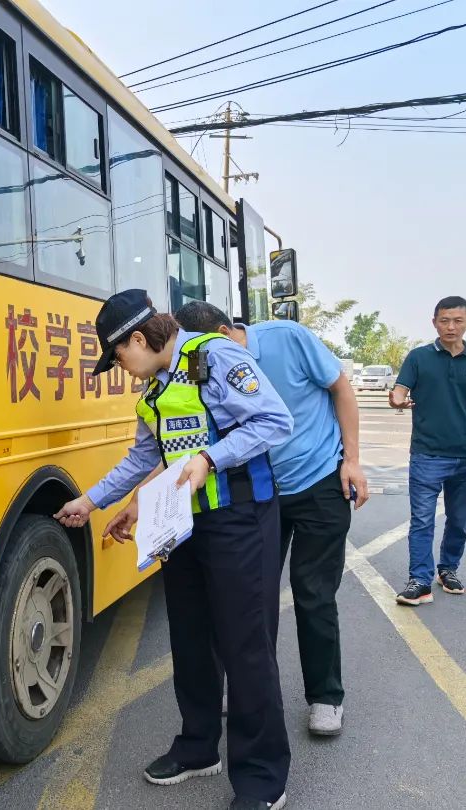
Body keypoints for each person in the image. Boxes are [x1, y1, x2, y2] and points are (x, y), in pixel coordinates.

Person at [54, 289, 293, 810]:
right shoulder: (153, 393)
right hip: (183, 526)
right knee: (189, 640)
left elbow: (275, 421)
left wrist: (212, 456)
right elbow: (144, 459)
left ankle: (261, 779)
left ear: (138, 339)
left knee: (244, 646)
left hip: (240, 519)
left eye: (119, 357)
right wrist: (91, 502)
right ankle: (198, 746)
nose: (122, 368)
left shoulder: (217, 356)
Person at [173, 302, 369, 738]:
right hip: (261, 493)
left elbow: (341, 388)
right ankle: (250, 692)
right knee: (247, 597)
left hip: (320, 482)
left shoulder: (287, 338)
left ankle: (325, 696)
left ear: (226, 332)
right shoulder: (196, 364)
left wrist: (352, 460)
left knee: (313, 591)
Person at [388, 296, 466, 606]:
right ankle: (419, 580)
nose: (451, 326)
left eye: (457, 320)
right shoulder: (418, 357)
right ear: (434, 322)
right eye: (444, 320)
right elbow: (399, 392)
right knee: (421, 520)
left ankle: (448, 569)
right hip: (426, 455)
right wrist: (396, 400)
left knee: (459, 520)